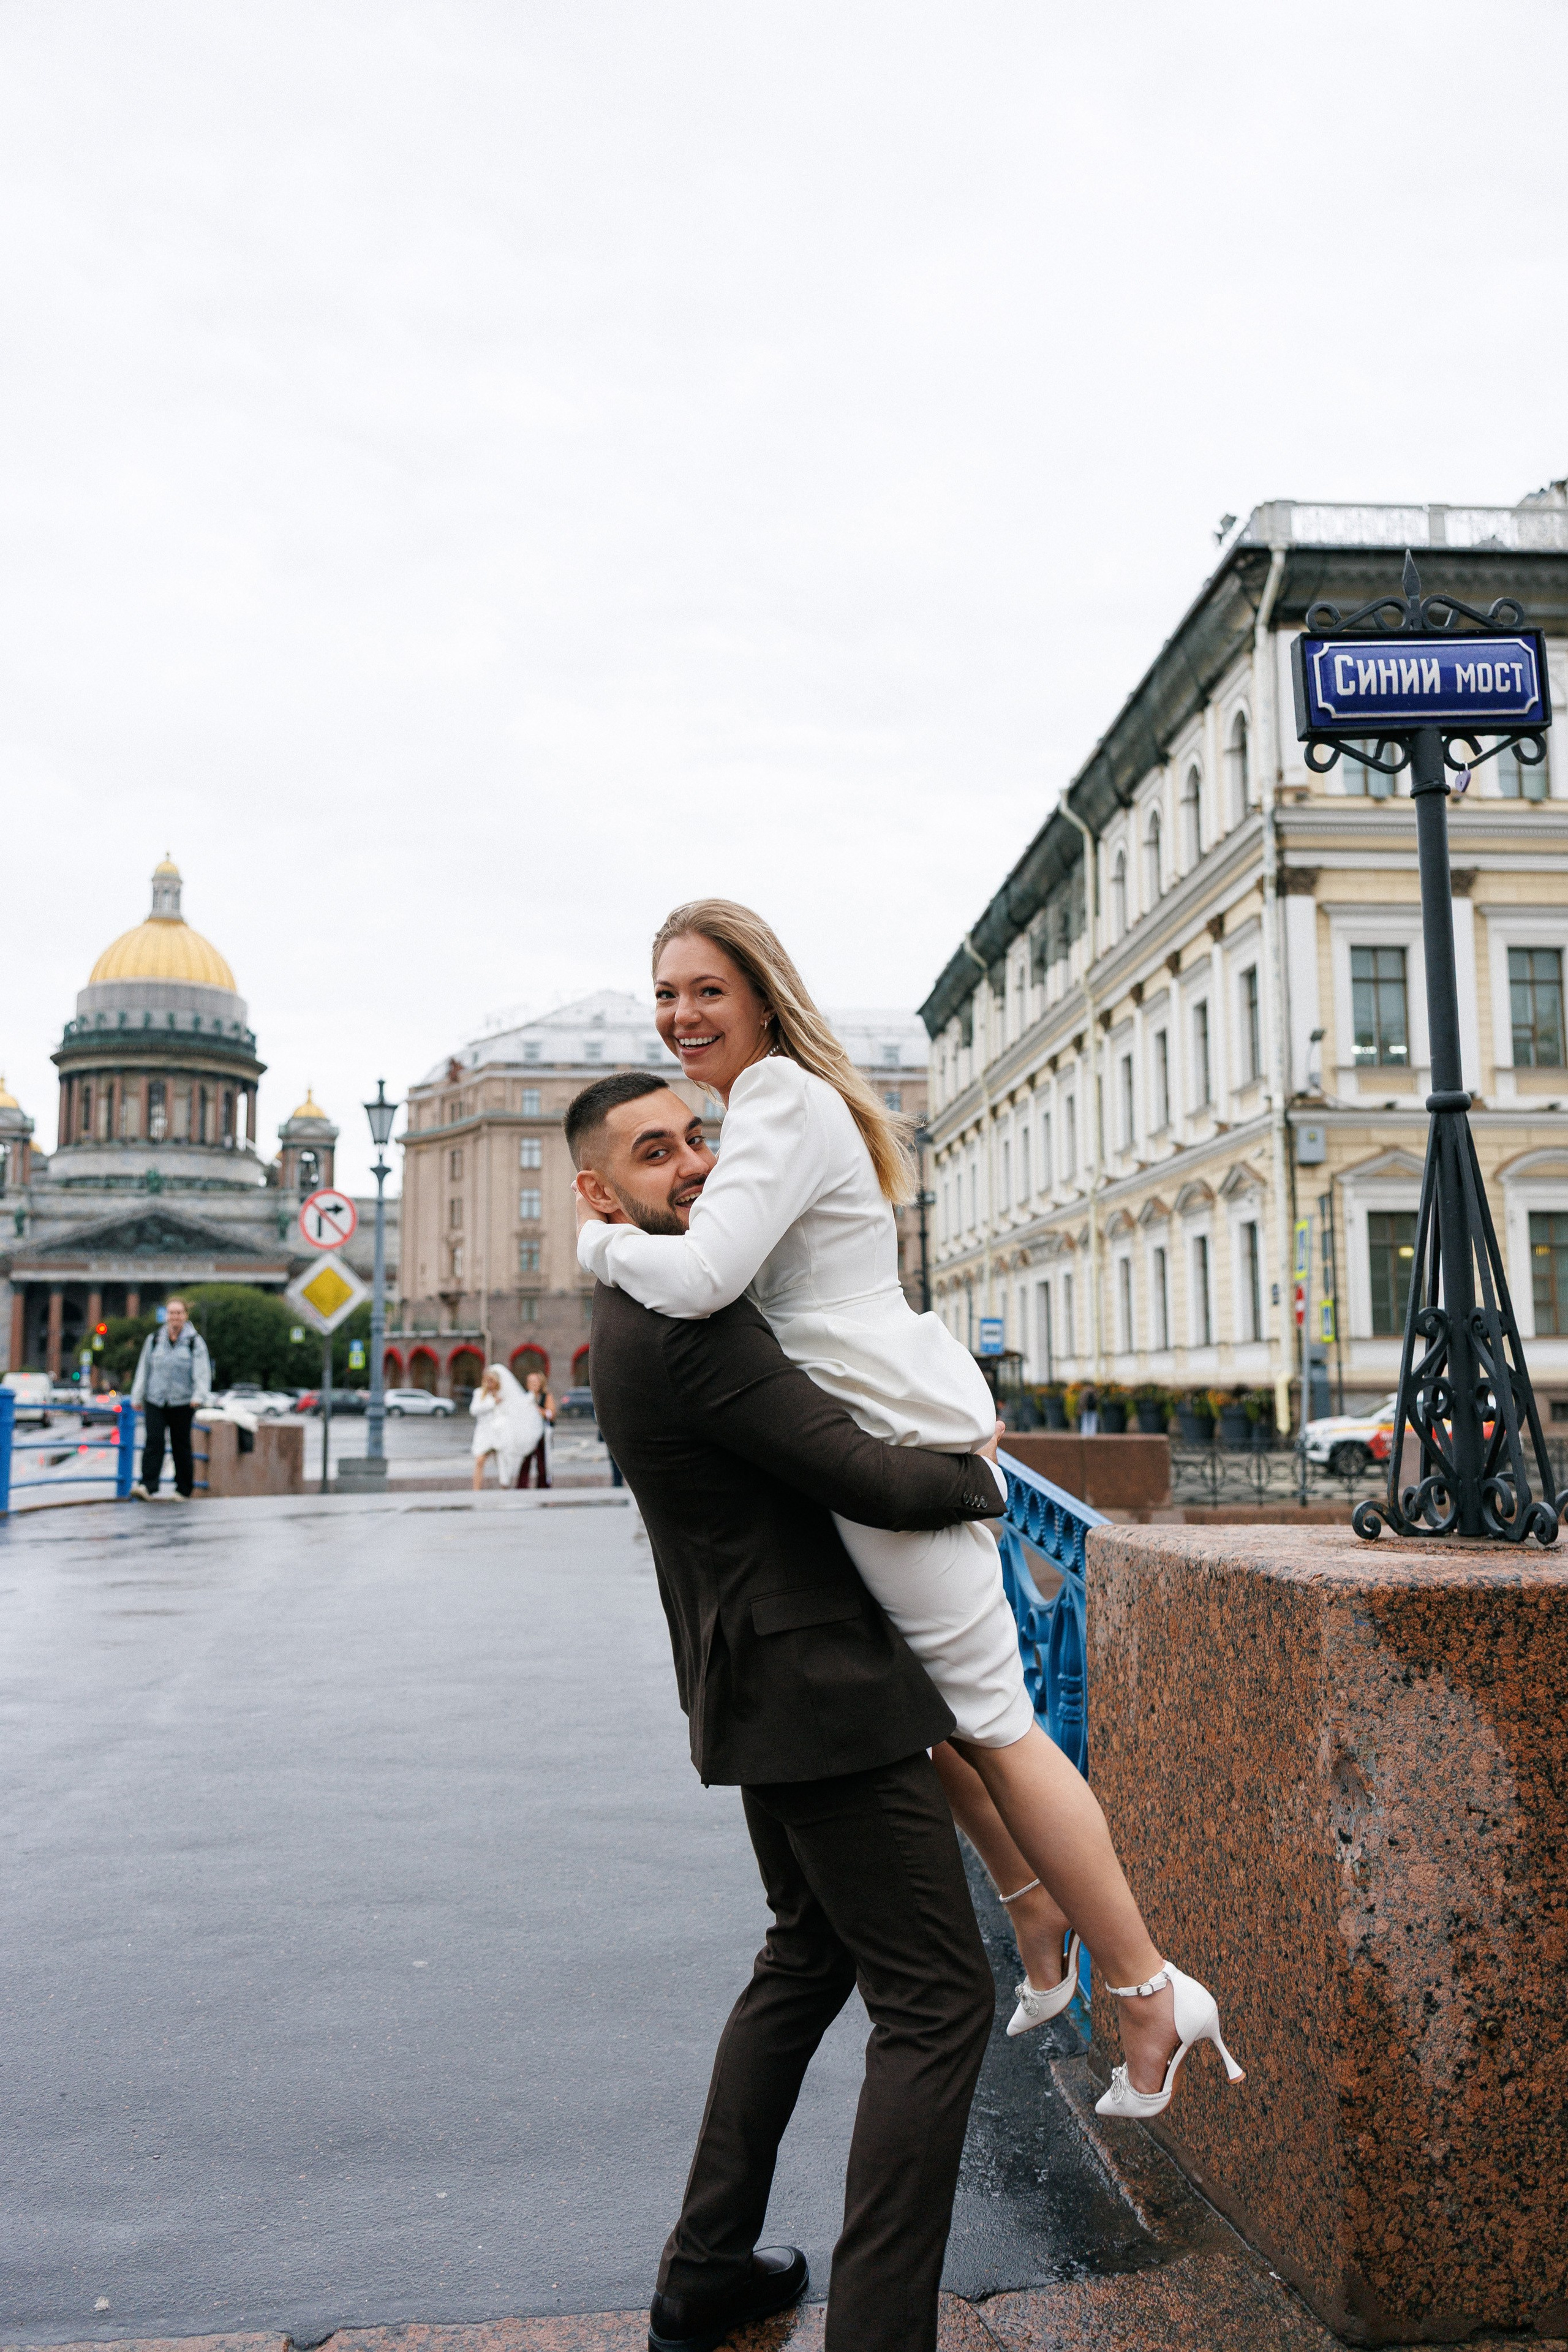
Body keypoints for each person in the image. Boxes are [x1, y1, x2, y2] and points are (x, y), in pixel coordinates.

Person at [576, 900, 1244, 2120]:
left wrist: (598, 1247)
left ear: (762, 996)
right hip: (871, 1429)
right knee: (930, 1708)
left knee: (996, 1721)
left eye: (706, 989)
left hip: (888, 1440)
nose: (681, 1014)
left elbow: (706, 1276)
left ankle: (1148, 1990)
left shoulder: (779, 1100)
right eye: (665, 994)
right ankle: (1034, 1914)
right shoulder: (764, 1107)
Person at [567, 1068, 1008, 2352]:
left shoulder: (632, 1309)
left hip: (761, 1682)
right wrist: (981, 1475)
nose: (695, 1165)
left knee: (807, 1959)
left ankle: (707, 2267)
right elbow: (861, 1474)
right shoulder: (687, 1327)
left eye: (697, 1138)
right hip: (822, 1695)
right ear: (599, 1193)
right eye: (656, 1153)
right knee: (937, 2005)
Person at [129, 1298, 212, 1499]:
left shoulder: (194, 1342)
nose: (175, 1317)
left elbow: (202, 1372)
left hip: (183, 1401)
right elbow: (144, 1369)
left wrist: (198, 1396)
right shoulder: (155, 1339)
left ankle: (183, 1489)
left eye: (179, 1313)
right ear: (166, 1316)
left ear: (185, 1316)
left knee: (181, 1445)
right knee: (154, 1441)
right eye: (171, 1313)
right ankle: (147, 1486)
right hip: (156, 1399)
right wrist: (137, 1396)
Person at [469, 1363, 545, 1491]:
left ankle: (505, 1487)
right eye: (487, 1380)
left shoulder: (504, 1394)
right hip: (484, 1433)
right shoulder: (480, 1393)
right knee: (480, 1460)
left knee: (503, 1462)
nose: (489, 1383)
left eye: (492, 1381)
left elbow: (516, 1408)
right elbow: (474, 1410)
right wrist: (493, 1402)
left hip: (501, 1433)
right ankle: (476, 1490)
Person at [518, 1367, 553, 1487]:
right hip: (528, 1434)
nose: (534, 1384)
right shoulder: (525, 1397)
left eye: (536, 1381)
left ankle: (543, 1486)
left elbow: (551, 1414)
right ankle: (522, 1486)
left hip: (542, 1434)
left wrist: (537, 1408)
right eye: (531, 1382)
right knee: (525, 1461)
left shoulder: (546, 1396)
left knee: (542, 1461)